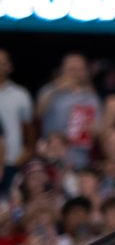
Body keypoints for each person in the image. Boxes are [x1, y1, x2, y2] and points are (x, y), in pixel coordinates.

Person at [34, 53, 100, 169]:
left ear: (85, 72)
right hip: (51, 156)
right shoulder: (49, 90)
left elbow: (99, 129)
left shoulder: (91, 97)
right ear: (62, 70)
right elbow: (38, 113)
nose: (75, 73)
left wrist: (93, 129)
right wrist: (57, 88)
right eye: (71, 69)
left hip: (80, 159)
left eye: (79, 69)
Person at [0, 50, 34, 193]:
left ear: (9, 67)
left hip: (13, 161)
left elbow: (29, 129)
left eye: (2, 63)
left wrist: (28, 152)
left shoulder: (21, 95)